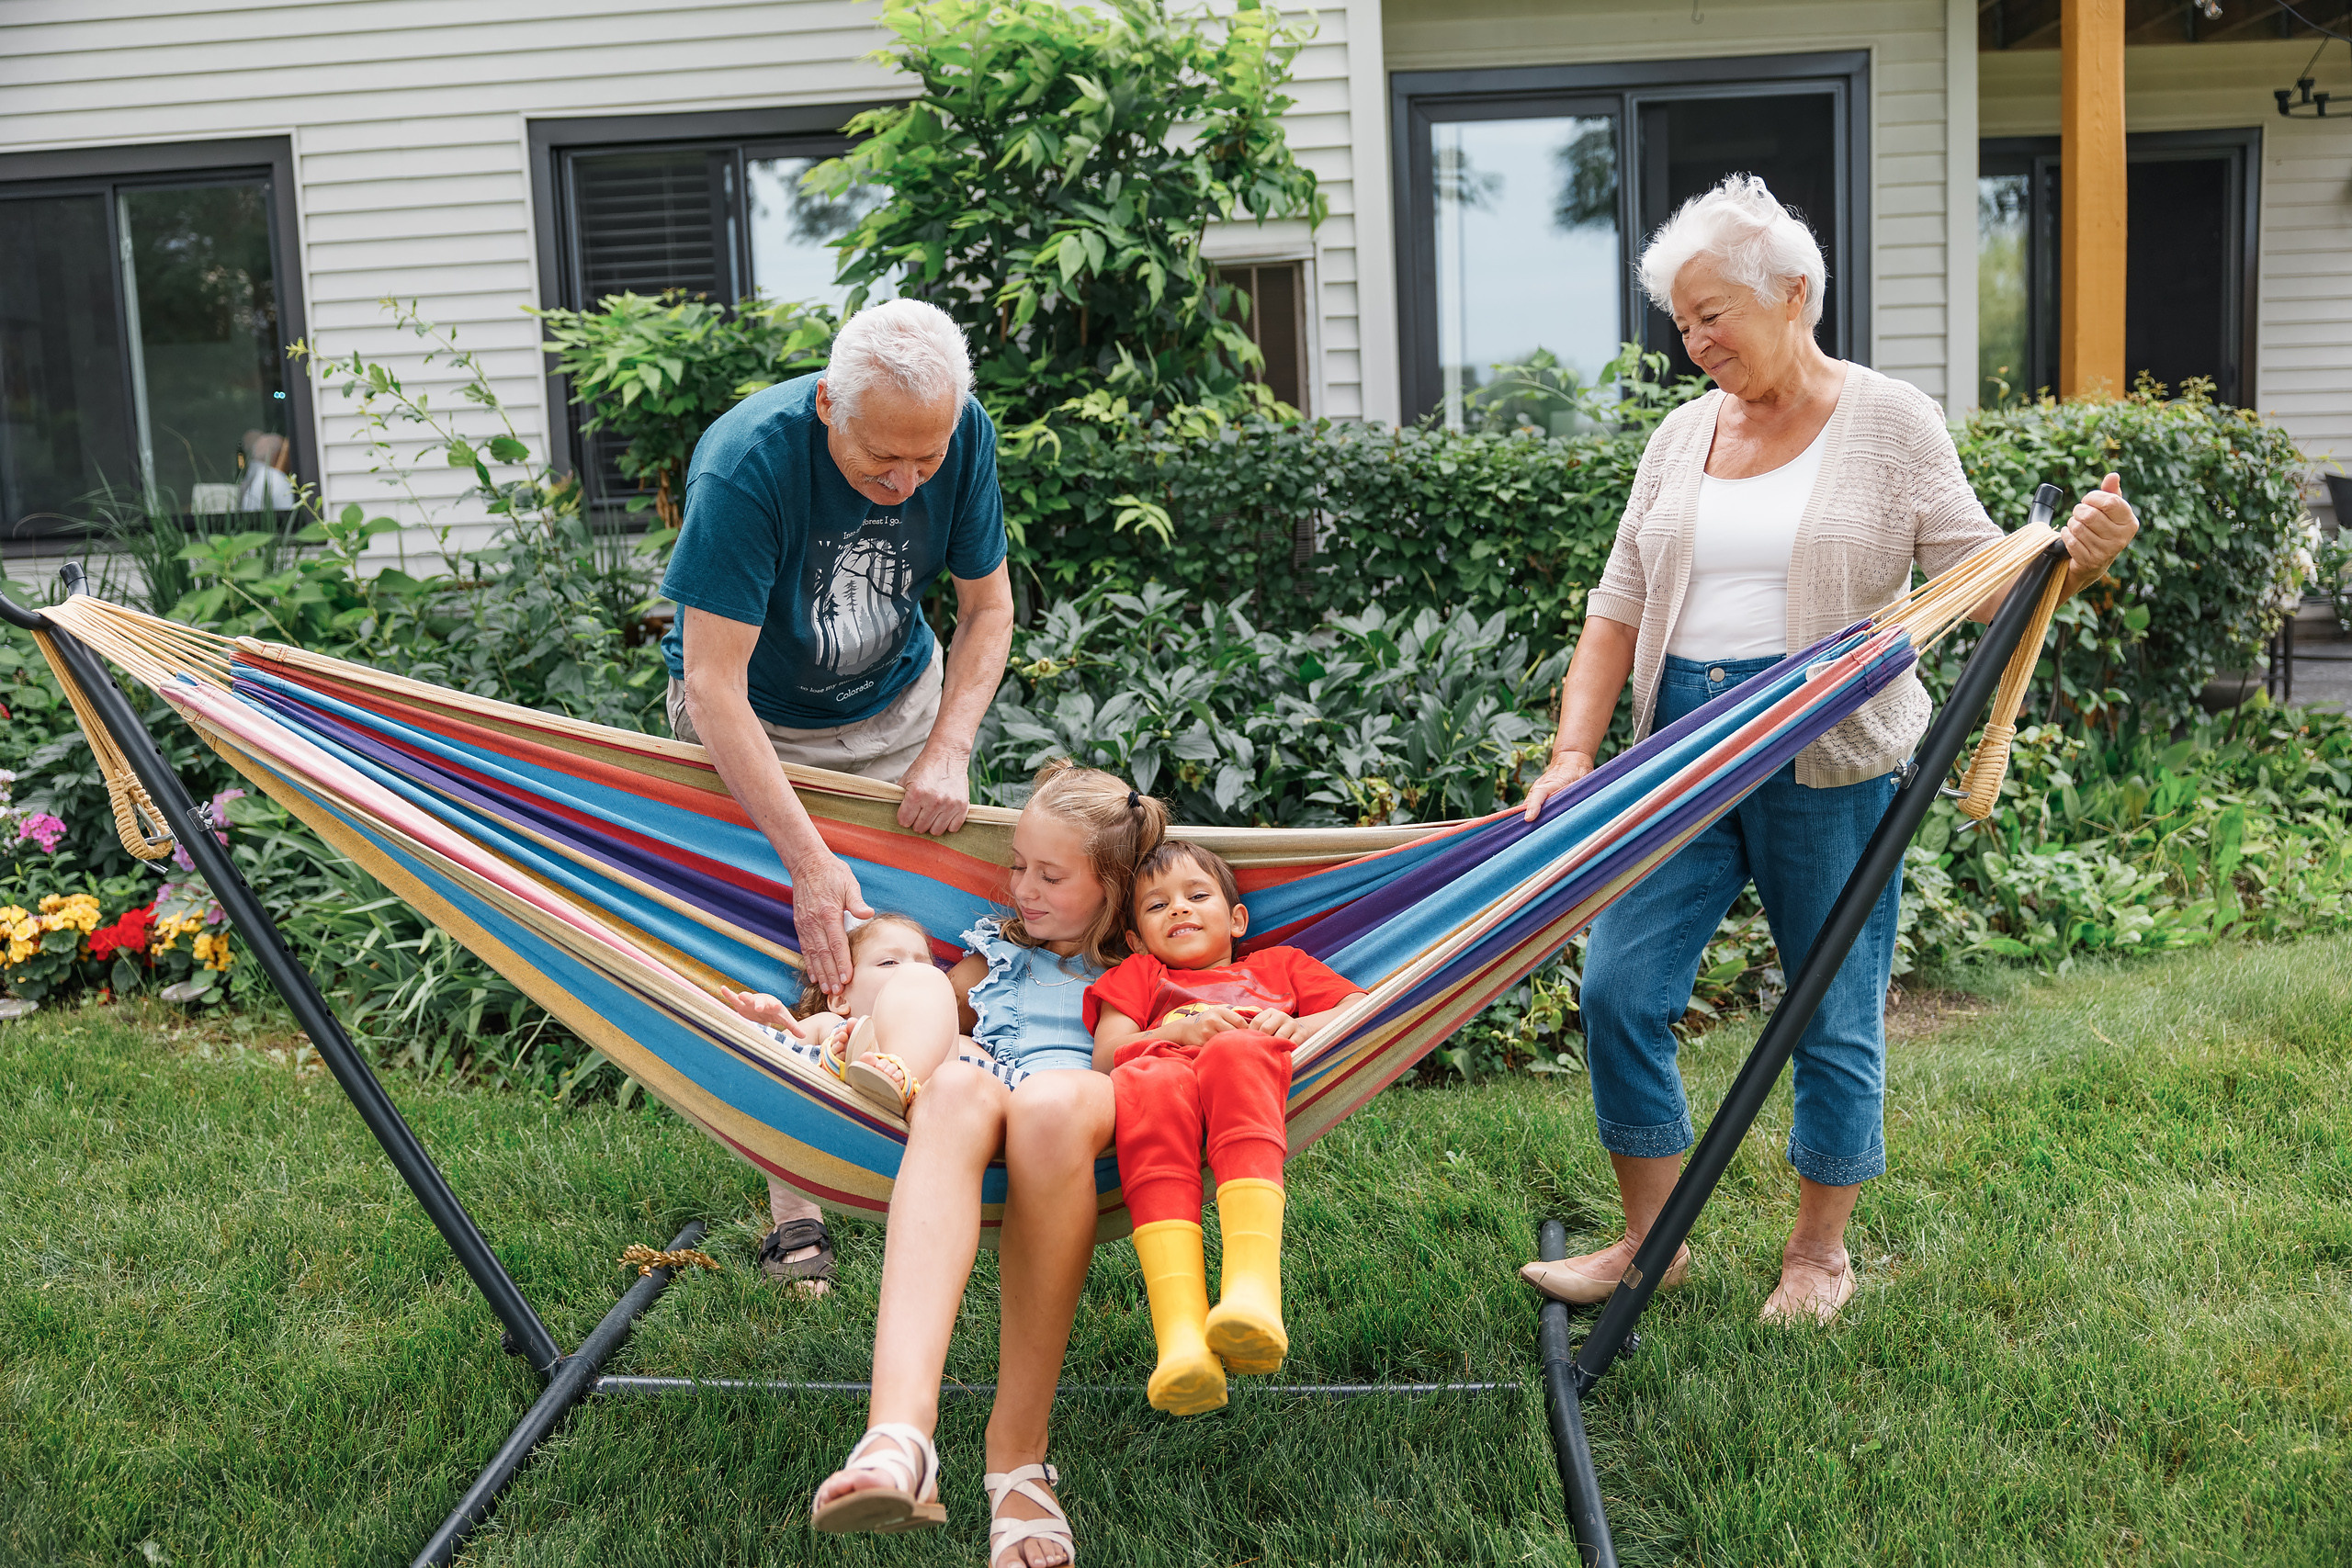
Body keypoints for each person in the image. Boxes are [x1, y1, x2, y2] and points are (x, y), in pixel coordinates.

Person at [1514, 174, 2141, 1325]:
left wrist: (2081, 549)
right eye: (1683, 322)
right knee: (1618, 989)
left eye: (1715, 314)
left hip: (1832, 751)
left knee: (1830, 1004)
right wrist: (1571, 752)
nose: (1696, 340)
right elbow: (1618, 600)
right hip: (1683, 752)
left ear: (1793, 294)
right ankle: (1653, 1241)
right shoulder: (1679, 433)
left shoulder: (1889, 420)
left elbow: (1991, 568)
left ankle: (1816, 1257)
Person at [661, 297, 1016, 1292]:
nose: (906, 484)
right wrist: (809, 861)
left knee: (906, 940)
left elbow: (988, 610)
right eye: (879, 467)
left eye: (927, 460)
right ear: (827, 406)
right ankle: (798, 1199)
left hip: (900, 705)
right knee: (789, 939)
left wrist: (948, 745)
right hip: (757, 725)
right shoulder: (748, 464)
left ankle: (919, 1163)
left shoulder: (960, 432)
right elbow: (712, 685)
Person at [809, 761, 1166, 1568]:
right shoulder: (997, 948)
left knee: (1045, 1104)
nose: (1023, 890)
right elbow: (940, 1004)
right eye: (1017, 867)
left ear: (1113, 887)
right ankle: (898, 1437)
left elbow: (1137, 1052)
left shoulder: (1144, 961)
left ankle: (1017, 1453)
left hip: (1075, 1107)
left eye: (1049, 874)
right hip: (984, 1085)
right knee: (953, 1080)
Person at [1084, 840, 1366, 1415]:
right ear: (1136, 938)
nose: (1179, 910)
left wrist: (1293, 1025)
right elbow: (1107, 1055)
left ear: (1237, 918)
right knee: (1148, 1083)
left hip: (1245, 1088)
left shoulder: (1279, 966)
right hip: (1162, 1097)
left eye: (1196, 896)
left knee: (1237, 1049)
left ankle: (1252, 1293)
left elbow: (1355, 1011)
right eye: (1156, 906)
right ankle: (1181, 1340)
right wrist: (1177, 1030)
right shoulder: (1141, 974)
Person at [721, 913, 967, 1115]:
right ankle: (859, 1069)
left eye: (923, 965)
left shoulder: (958, 1044)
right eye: (889, 962)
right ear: (840, 999)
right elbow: (767, 1066)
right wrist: (770, 1020)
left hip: (933, 1114)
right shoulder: (830, 1025)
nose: (911, 972)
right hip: (837, 1115)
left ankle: (895, 1076)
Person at [234, 431, 296, 514]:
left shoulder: (249, 480)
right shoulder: (276, 479)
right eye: (286, 455)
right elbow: (290, 515)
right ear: (277, 455)